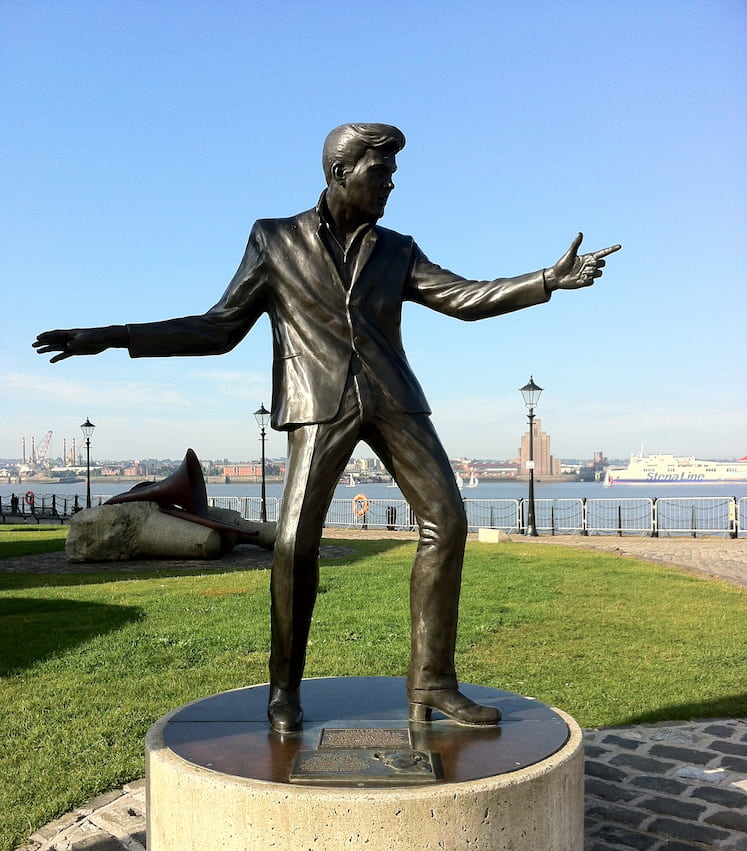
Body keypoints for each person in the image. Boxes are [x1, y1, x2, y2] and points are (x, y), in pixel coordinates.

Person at [34, 123, 620, 733]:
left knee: (447, 521)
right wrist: (113, 336)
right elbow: (218, 329)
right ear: (340, 173)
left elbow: (462, 297)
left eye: (393, 172)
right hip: (318, 404)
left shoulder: (398, 249)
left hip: (394, 401)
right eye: (380, 170)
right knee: (293, 545)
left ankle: (433, 684)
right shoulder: (275, 240)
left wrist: (546, 280)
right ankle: (282, 691)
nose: (391, 182)